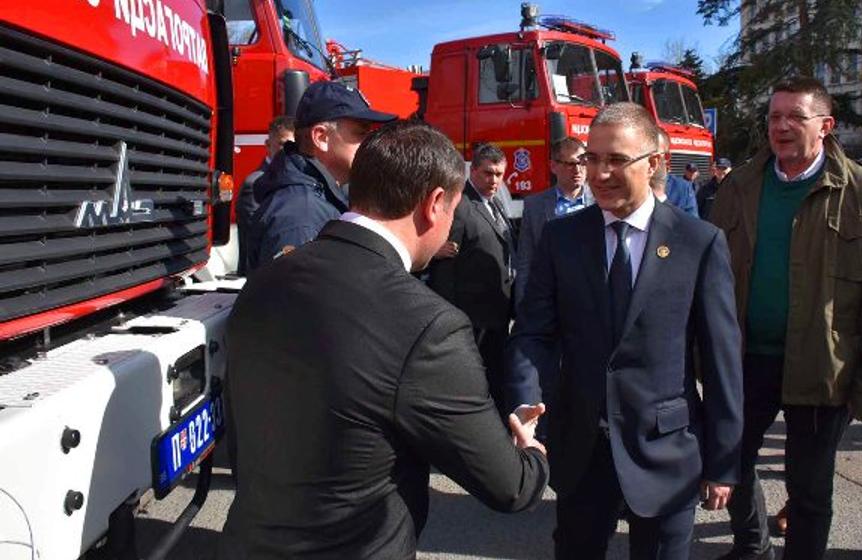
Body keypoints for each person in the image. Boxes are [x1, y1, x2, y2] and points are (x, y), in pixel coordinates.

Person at [219, 120, 549, 560]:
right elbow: (511, 486)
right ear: (434, 204)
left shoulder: (266, 280)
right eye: (453, 211)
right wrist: (531, 450)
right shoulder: (429, 325)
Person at [506, 102, 744, 560]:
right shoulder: (561, 238)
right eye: (592, 158)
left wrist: (723, 460)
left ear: (654, 162)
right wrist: (524, 402)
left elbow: (721, 360)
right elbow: (534, 333)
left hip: (666, 451)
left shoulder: (698, 242)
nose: (599, 173)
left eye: (616, 159)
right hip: (582, 450)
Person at [709, 77, 862, 560]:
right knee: (728, 463)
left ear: (826, 126)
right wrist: (701, 355)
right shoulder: (739, 186)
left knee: (810, 491)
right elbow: (708, 277)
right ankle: (753, 546)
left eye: (795, 117)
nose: (781, 126)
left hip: (823, 367)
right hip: (745, 361)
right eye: (774, 116)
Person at [246, 81, 396, 271]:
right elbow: (297, 290)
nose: (371, 144)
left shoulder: (320, 200)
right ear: (321, 137)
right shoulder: (301, 218)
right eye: (361, 134)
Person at [427, 143, 516, 412]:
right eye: (488, 173)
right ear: (473, 171)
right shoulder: (461, 206)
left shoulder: (496, 203)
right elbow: (445, 265)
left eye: (499, 174)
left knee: (496, 380)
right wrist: (451, 317)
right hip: (471, 318)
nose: (494, 180)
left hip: (497, 313)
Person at [515, 136, 593, 305]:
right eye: (571, 164)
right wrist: (522, 305)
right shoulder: (534, 206)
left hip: (591, 300)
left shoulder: (600, 203)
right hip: (551, 300)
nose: (578, 170)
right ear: (553, 166)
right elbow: (525, 259)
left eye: (583, 163)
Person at [236, 115, 295, 275]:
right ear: (268, 146)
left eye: (293, 145)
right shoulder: (254, 184)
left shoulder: (293, 180)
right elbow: (258, 240)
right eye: (282, 144)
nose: (288, 151)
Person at [696, 157, 732, 221]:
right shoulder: (705, 188)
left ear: (730, 170)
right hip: (709, 225)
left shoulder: (735, 189)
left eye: (724, 168)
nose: (721, 171)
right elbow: (697, 209)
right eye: (718, 168)